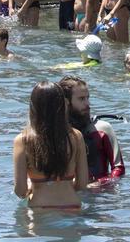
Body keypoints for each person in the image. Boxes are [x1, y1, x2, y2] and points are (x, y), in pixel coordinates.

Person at [12, 81, 88, 209]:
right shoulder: (76, 136)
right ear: (63, 105)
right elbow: (82, 184)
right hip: (72, 206)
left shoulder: (23, 140)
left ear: (34, 106)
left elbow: (20, 191)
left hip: (40, 209)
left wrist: (32, 188)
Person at [58, 75, 125, 182]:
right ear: (66, 102)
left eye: (87, 98)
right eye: (81, 99)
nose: (87, 104)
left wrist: (98, 185)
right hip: (67, 193)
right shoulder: (56, 131)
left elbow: (119, 169)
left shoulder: (103, 128)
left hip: (99, 195)